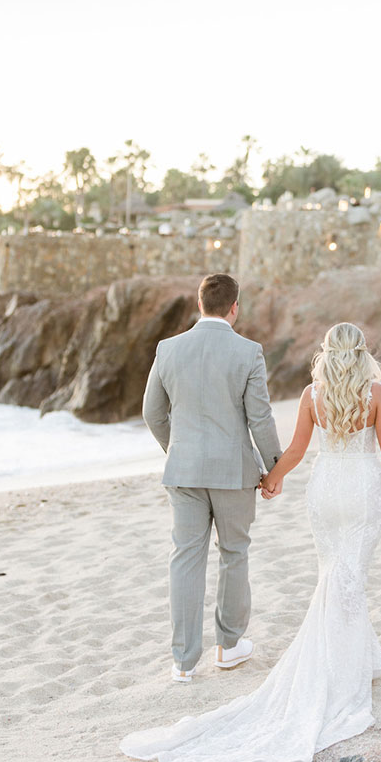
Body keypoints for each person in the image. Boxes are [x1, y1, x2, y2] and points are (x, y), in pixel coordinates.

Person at [121, 322, 381, 762]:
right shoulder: (377, 395)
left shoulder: (312, 396)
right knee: (350, 574)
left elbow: (297, 451)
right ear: (362, 354)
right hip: (362, 490)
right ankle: (349, 665)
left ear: (327, 353)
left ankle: (359, 654)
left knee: (333, 572)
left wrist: (272, 478)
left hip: (325, 490)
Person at [141, 273, 282, 684]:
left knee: (185, 559)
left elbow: (152, 413)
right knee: (234, 553)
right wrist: (274, 468)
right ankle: (229, 646)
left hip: (183, 471)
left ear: (199, 304)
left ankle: (183, 662)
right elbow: (260, 417)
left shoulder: (168, 349)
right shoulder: (248, 352)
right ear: (234, 308)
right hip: (234, 472)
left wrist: (177, 450)